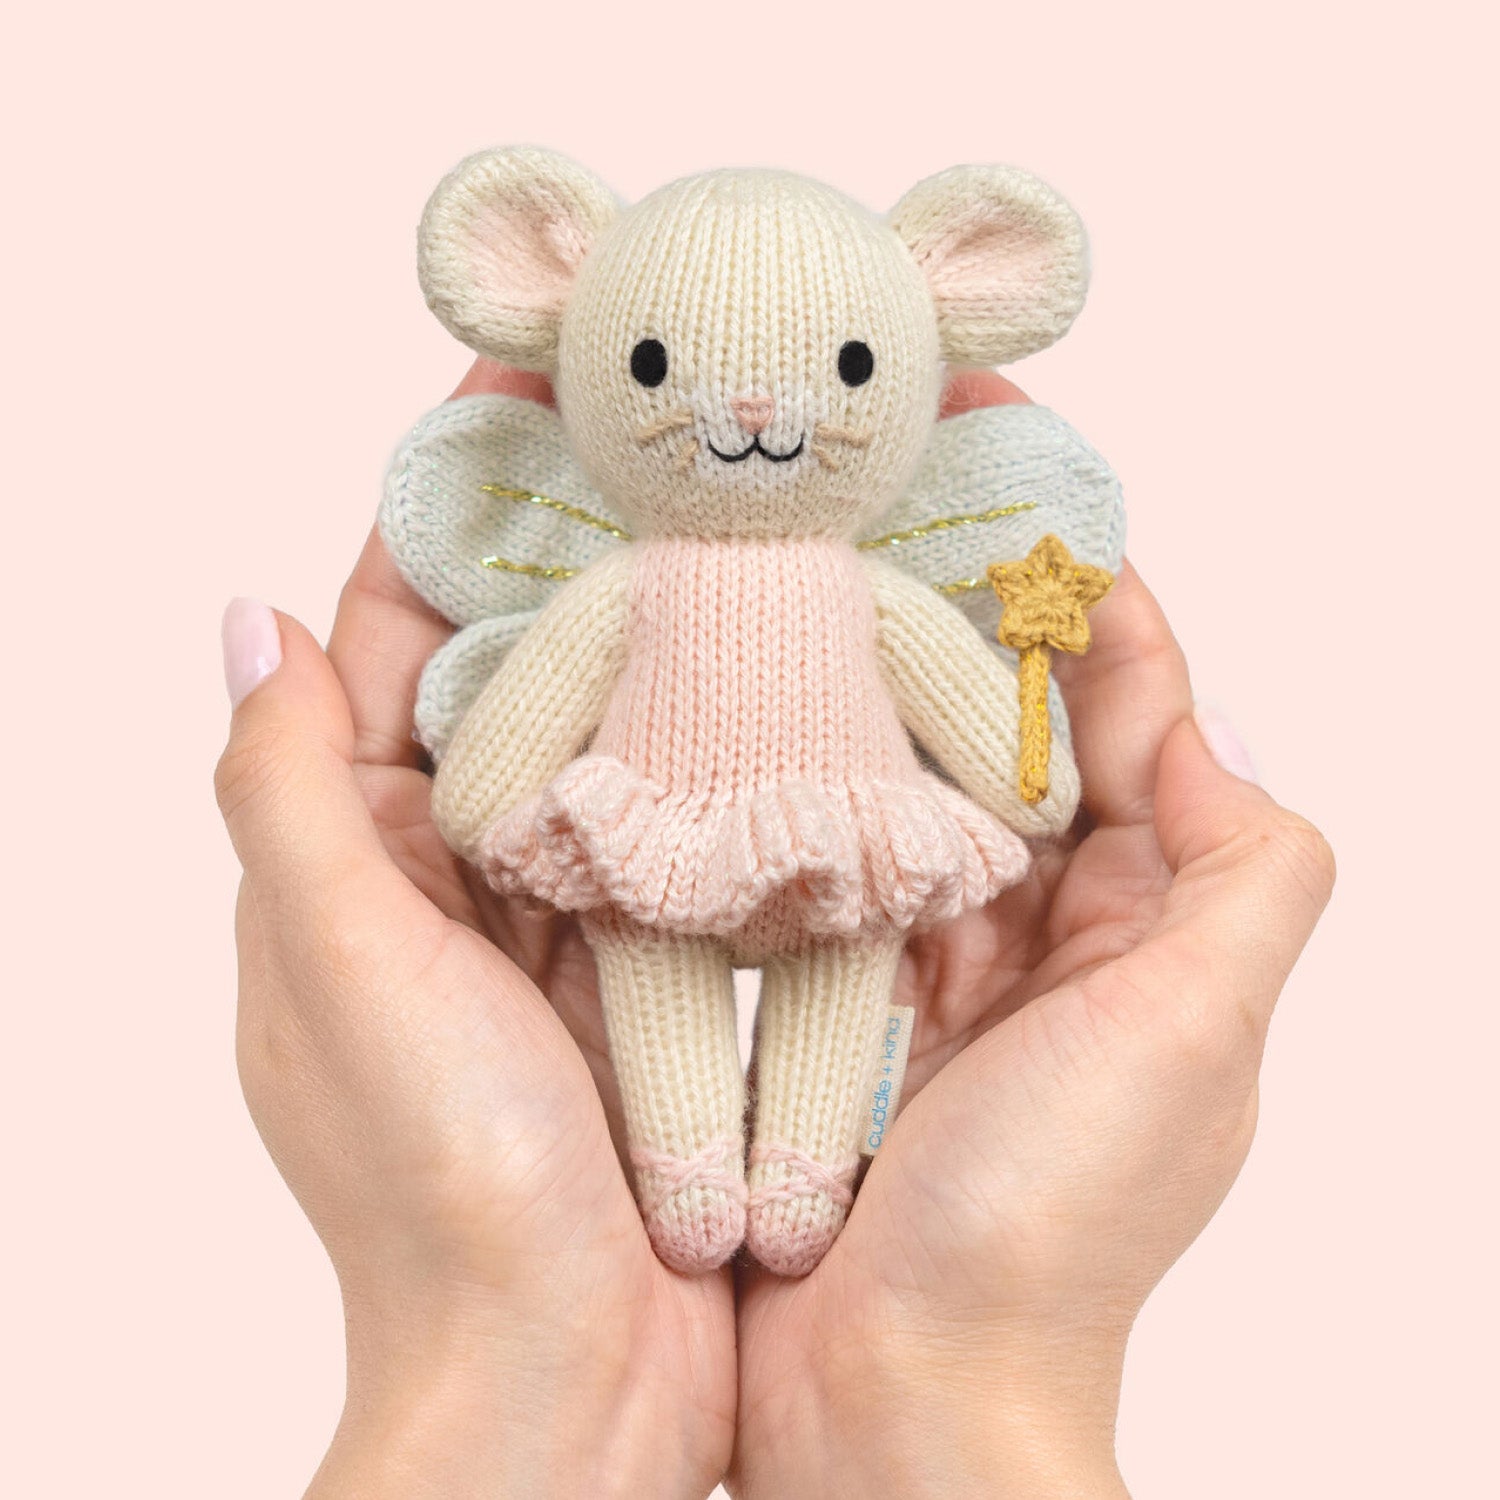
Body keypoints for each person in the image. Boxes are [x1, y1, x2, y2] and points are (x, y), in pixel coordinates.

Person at [214, 363, 1334, 1498]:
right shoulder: (630, 589)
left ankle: (805, 1173)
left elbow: (991, 742)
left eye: (849, 366)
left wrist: (1027, 761)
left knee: (843, 959)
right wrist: (485, 798)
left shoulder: (867, 594)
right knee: (656, 953)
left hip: (845, 843)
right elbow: (527, 711)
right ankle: (686, 1166)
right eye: (653, 366)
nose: (752, 407)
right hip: (651, 841)